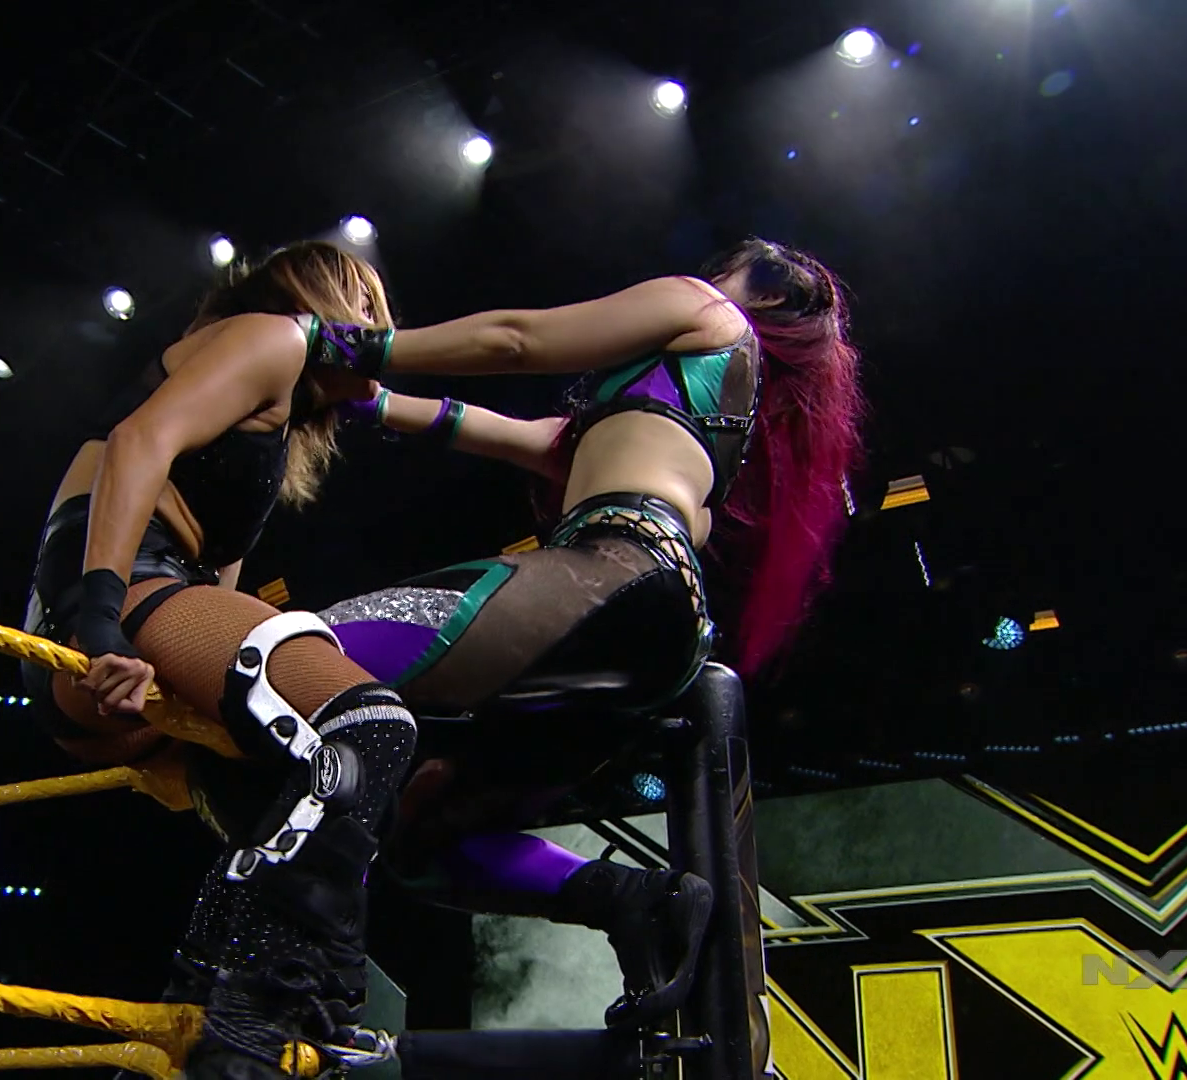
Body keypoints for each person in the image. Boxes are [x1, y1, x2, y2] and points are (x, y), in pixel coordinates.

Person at [309, 238, 866, 1028]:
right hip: (648, 631)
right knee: (425, 839)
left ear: (762, 295)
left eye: (728, 265)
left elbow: (516, 340)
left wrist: (341, 344)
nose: (711, 273)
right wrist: (369, 401)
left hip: (616, 578)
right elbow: (518, 436)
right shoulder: (697, 417)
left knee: (299, 655)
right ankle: (637, 901)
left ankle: (291, 977)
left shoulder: (704, 311)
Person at [17, 241, 421, 1079]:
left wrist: (218, 696)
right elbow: (137, 443)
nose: (380, 328)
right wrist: (99, 626)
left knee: (306, 777)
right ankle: (245, 1003)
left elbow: (218, 581)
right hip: (109, 600)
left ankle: (238, 1001)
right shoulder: (271, 336)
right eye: (367, 308)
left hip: (152, 614)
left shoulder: (272, 421)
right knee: (368, 724)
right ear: (322, 299)